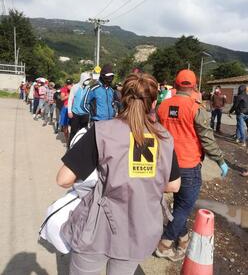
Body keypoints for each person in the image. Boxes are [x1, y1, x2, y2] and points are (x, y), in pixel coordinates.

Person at [56, 73, 181, 275]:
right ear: (152, 104)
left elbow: (63, 179)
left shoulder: (102, 130)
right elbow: (174, 185)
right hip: (139, 230)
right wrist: (140, 180)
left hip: (98, 229)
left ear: (121, 99)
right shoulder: (165, 137)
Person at [156, 69, 229, 261]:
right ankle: (164, 244)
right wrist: (221, 160)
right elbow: (207, 139)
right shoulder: (196, 108)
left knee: (180, 207)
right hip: (188, 166)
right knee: (183, 207)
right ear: (195, 86)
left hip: (166, 165)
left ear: (175, 84)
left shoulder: (162, 106)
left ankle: (183, 240)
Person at [67, 72, 92, 145]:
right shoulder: (75, 87)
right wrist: (69, 111)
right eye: (87, 79)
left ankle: (80, 148)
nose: (88, 81)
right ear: (83, 79)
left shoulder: (89, 88)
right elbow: (70, 99)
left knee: (83, 132)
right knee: (73, 131)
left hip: (85, 114)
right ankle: (70, 147)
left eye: (89, 79)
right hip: (75, 113)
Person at [60, 78, 73, 145]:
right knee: (65, 126)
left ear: (72, 84)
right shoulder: (64, 89)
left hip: (73, 109)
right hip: (65, 109)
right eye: (67, 84)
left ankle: (72, 140)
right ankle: (67, 140)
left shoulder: (75, 89)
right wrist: (69, 94)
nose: (69, 85)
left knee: (73, 126)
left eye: (70, 84)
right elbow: (62, 98)